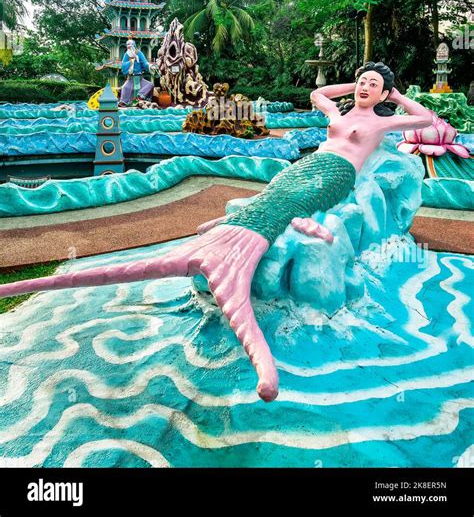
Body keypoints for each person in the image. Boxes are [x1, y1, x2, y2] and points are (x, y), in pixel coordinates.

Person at [0, 62, 433, 402]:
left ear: (383, 95)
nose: (364, 88)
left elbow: (425, 118)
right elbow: (317, 93)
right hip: (308, 165)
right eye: (363, 81)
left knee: (288, 202)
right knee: (277, 189)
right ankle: (235, 225)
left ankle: (242, 234)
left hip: (335, 174)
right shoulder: (338, 109)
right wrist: (352, 83)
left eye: (373, 85)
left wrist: (393, 94)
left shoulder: (380, 122)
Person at [119, 39, 154, 106]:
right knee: (125, 88)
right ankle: (123, 102)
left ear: (134, 45)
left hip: (140, 78)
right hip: (131, 78)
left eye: (131, 44)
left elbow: (144, 62)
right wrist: (131, 61)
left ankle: (140, 96)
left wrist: (150, 66)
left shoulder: (139, 53)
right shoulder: (126, 55)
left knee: (150, 85)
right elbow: (123, 65)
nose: (129, 46)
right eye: (128, 44)